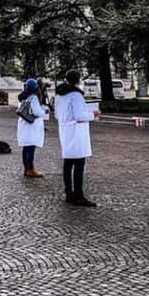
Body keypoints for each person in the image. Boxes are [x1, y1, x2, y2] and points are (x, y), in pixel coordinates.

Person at [54, 70, 100, 207]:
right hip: (76, 132)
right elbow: (79, 116)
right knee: (79, 164)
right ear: (78, 80)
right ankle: (78, 195)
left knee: (68, 164)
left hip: (65, 130)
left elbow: (56, 114)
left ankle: (69, 193)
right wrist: (93, 114)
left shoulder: (59, 95)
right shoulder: (76, 95)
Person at [17, 78, 46, 178]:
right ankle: (30, 169)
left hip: (24, 125)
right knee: (31, 148)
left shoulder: (23, 97)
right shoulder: (33, 97)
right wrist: (44, 112)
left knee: (26, 148)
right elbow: (37, 112)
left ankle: (26, 168)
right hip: (31, 126)